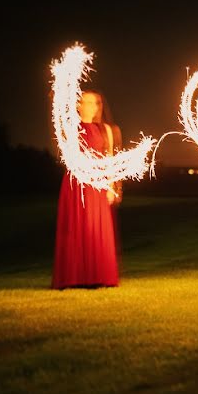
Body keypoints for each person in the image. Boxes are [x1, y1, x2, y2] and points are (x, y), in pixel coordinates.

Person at [52, 91, 120, 289]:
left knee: (95, 227)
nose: (92, 106)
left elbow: (109, 158)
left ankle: (98, 276)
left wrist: (110, 185)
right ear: (79, 105)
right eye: (86, 102)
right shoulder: (71, 128)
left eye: (95, 103)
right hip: (76, 183)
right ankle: (73, 277)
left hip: (97, 182)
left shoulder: (105, 130)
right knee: (76, 227)